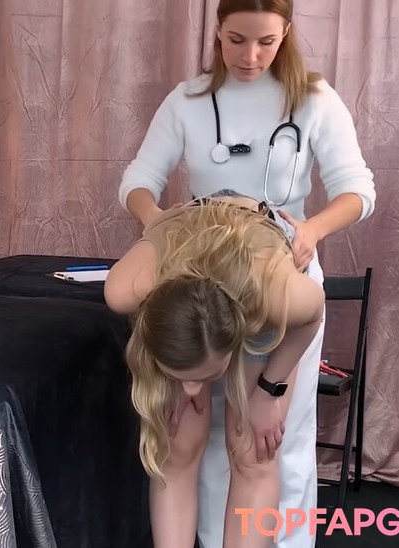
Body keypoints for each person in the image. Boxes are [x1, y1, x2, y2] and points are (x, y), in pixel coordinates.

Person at [117, 0, 376, 547]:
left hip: (275, 265)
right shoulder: (187, 100)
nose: (251, 56)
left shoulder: (313, 100)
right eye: (237, 40)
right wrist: (157, 222)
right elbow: (138, 181)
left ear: (287, 33)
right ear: (217, 31)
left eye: (266, 42)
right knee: (184, 438)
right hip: (197, 273)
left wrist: (312, 230)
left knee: (258, 440)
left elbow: (358, 190)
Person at [106, 193, 324, 548]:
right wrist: (176, 377)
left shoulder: (274, 295)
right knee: (176, 443)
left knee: (251, 450)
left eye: (207, 377)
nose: (193, 390)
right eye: (183, 377)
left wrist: (270, 390)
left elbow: (312, 316)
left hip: (257, 253)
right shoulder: (125, 288)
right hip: (186, 234)